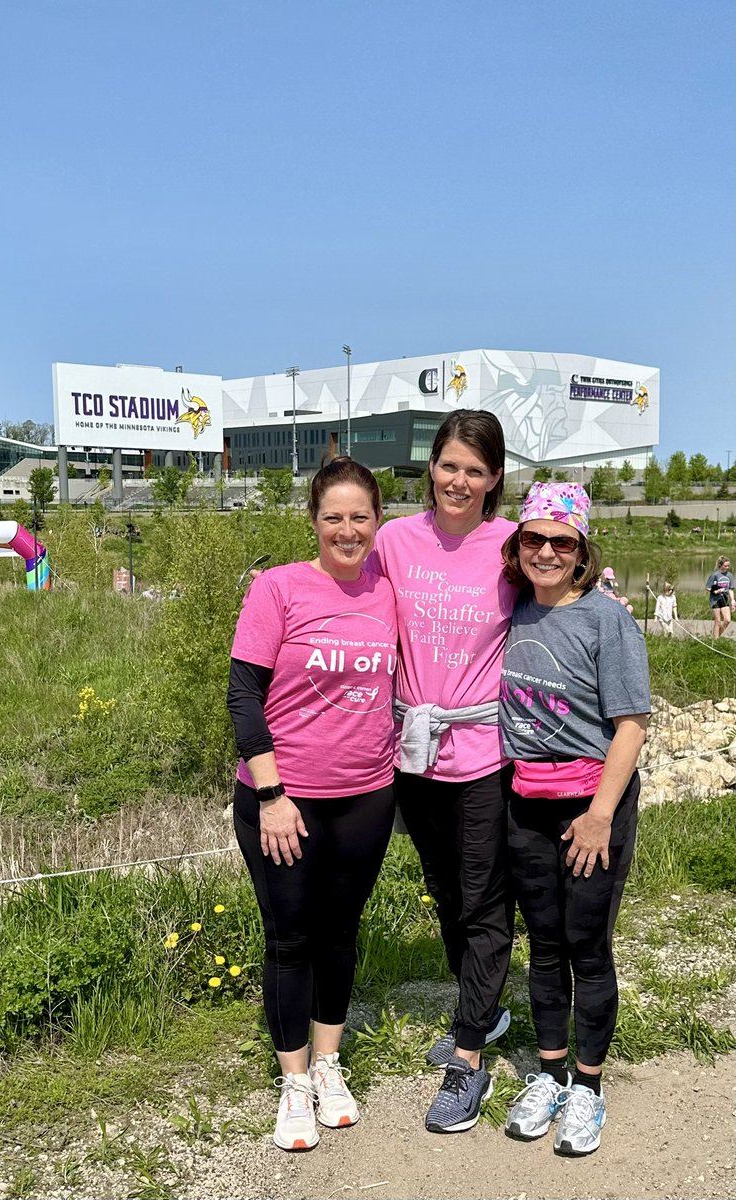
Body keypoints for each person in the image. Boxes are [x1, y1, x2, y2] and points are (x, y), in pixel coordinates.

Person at [226, 457, 398, 1152]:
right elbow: (243, 695)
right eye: (334, 517)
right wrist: (270, 793)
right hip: (283, 799)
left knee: (339, 933)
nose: (348, 530)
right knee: (291, 936)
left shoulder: (387, 592)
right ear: (314, 522)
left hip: (366, 797)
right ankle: (293, 1080)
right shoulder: (280, 588)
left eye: (361, 516)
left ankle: (329, 1065)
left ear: (378, 522)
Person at [372, 410, 517, 1134]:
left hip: (485, 752)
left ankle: (468, 1061)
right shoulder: (396, 540)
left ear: (495, 479)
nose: (459, 481)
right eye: (448, 465)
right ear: (430, 467)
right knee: (444, 891)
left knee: (486, 900)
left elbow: (560, 603)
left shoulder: (511, 546)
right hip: (415, 751)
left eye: (476, 469)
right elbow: (355, 608)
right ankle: (482, 1012)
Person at [498, 482, 650, 1157]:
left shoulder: (606, 619)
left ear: (583, 548)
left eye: (563, 540)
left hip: (594, 805)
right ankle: (550, 1072)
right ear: (519, 544)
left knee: (588, 948)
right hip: (526, 804)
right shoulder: (512, 611)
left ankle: (588, 1088)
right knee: (545, 946)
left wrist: (599, 816)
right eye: (535, 538)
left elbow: (631, 725)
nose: (548, 551)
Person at [705, 555, 733, 638]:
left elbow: (730, 589)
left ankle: (717, 636)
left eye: (728, 566)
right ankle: (715, 640)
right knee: (718, 621)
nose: (727, 567)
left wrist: (733, 600)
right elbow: (707, 587)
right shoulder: (715, 575)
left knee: (727, 620)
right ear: (720, 565)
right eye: (725, 566)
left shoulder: (729, 575)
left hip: (724, 599)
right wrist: (715, 591)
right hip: (715, 600)